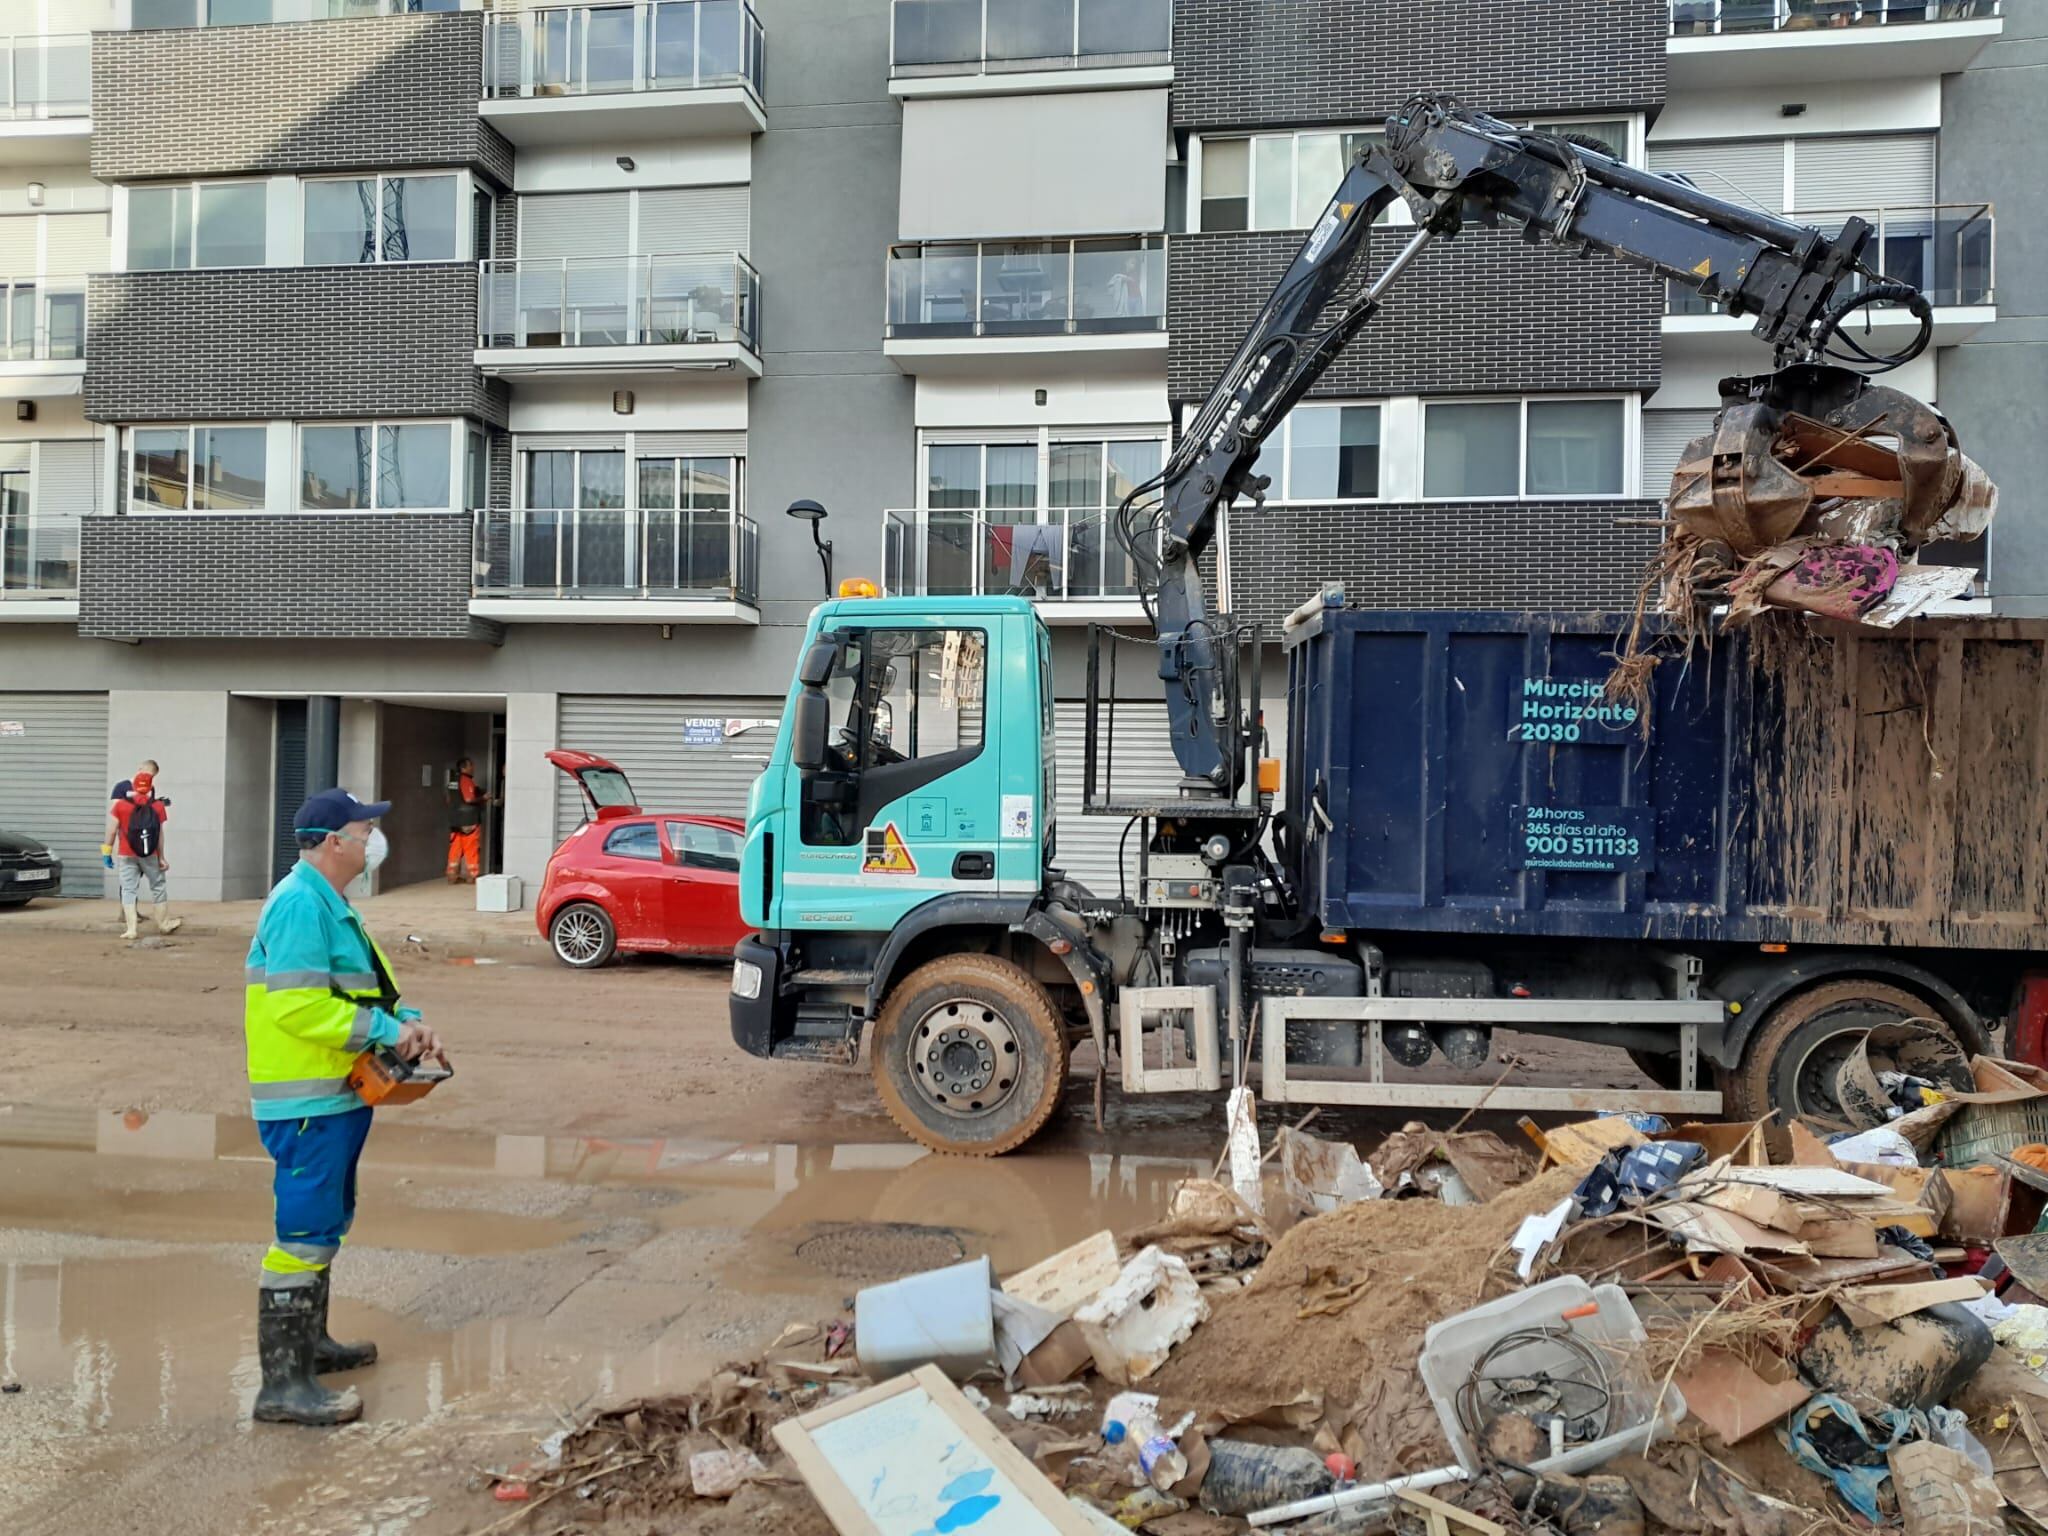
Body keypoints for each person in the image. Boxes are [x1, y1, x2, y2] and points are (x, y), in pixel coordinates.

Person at [245, 788, 447, 1427]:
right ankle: (283, 1387)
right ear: (335, 841)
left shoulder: (331, 904)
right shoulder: (301, 905)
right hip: (305, 1102)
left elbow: (368, 988)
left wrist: (406, 1022)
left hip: (333, 1096)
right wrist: (388, 1034)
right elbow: (297, 1007)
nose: (373, 842)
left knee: (325, 1223)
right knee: (302, 1236)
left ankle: (314, 1348)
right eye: (366, 830)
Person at [103, 768, 178, 941]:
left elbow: (111, 831)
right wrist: (161, 857)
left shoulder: (120, 805)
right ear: (151, 787)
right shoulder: (158, 806)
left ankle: (131, 929)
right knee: (158, 886)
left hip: (126, 854)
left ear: (134, 786)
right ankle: (164, 924)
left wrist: (106, 852)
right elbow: (159, 834)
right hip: (150, 854)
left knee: (129, 890)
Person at [446, 757, 485, 884]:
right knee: (471, 849)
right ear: (464, 768)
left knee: (455, 849)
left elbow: (448, 799)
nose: (473, 768)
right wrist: (483, 798)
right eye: (471, 766)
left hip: (455, 821)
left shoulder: (452, 781)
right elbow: (469, 799)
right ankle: (472, 876)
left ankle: (452, 875)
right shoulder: (466, 780)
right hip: (469, 820)